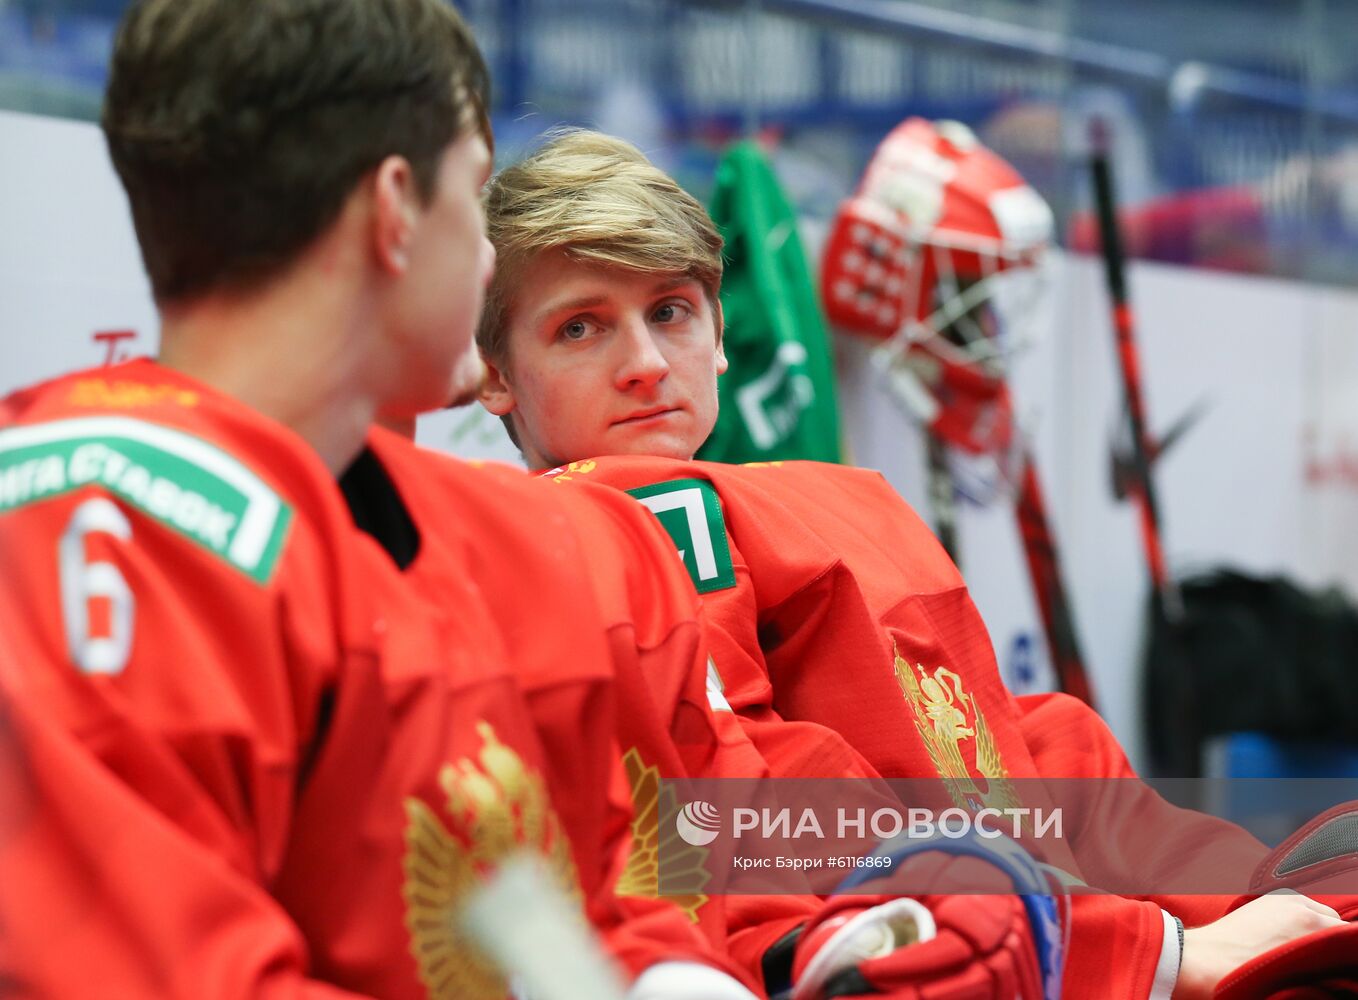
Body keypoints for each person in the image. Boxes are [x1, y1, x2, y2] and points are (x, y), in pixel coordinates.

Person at [473, 128, 1351, 999]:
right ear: (494, 376)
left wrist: (1259, 894)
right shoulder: (605, 515)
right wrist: (1163, 949)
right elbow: (758, 820)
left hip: (1054, 926)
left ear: (719, 333)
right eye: (580, 328)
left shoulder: (822, 497)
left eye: (670, 312)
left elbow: (1027, 759)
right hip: (952, 953)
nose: (646, 364)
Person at [0, 4, 758, 997]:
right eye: (476, 191)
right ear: (395, 208)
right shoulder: (84, 518)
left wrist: (683, 970)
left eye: (670, 311)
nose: (485, 254)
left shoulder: (495, 535)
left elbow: (619, 883)